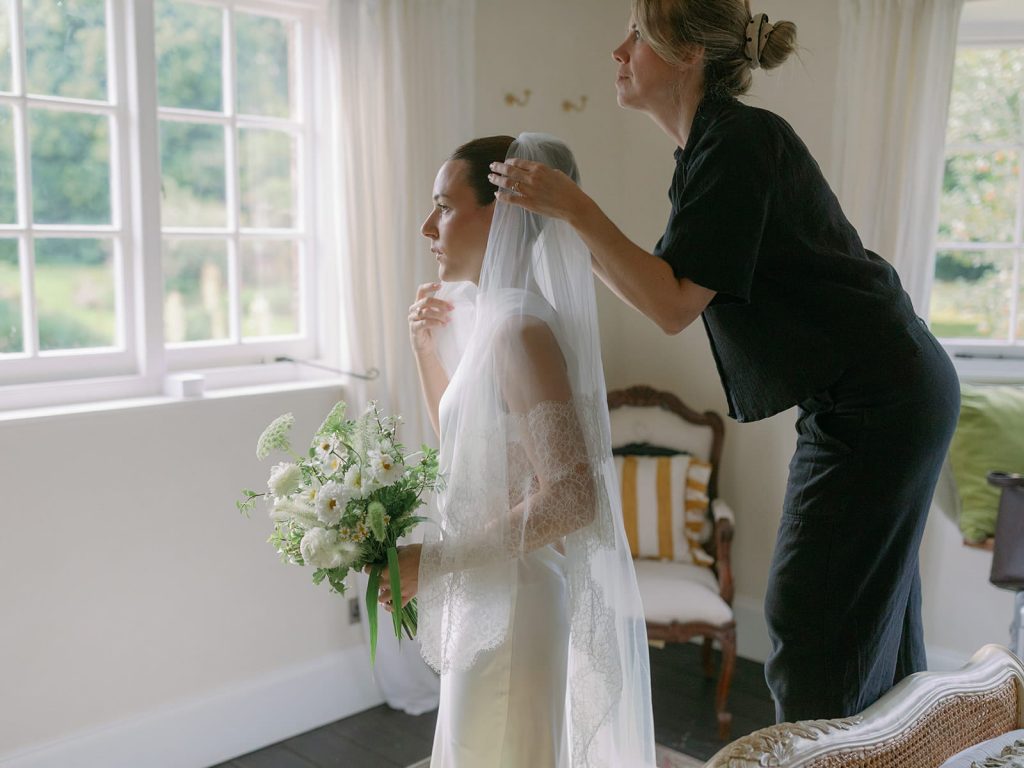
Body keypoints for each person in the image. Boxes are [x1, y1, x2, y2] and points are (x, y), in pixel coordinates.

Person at [486, 1, 961, 723]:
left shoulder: (740, 142)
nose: (618, 51)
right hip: (885, 390)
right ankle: (896, 746)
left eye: (636, 37)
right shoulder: (714, 148)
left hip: (880, 397)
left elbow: (671, 303)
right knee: (869, 625)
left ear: (686, 55)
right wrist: (569, 217)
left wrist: (576, 210)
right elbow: (661, 291)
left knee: (809, 624)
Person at [376, 134, 656, 766]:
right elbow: (469, 452)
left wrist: (436, 560)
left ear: (498, 212)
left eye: (444, 206)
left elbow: (573, 497)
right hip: (486, 597)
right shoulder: (489, 318)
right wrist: (425, 350)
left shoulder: (520, 331)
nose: (428, 226)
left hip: (515, 606)